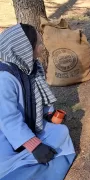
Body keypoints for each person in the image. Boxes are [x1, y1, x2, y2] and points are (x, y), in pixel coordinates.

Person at [0, 24, 76, 180]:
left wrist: (49, 113)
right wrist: (34, 145)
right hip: (6, 133)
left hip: (30, 124)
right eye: (39, 43)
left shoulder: (32, 67)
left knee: (61, 132)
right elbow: (8, 119)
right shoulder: (4, 78)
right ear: (24, 48)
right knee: (7, 162)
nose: (42, 47)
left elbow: (40, 95)